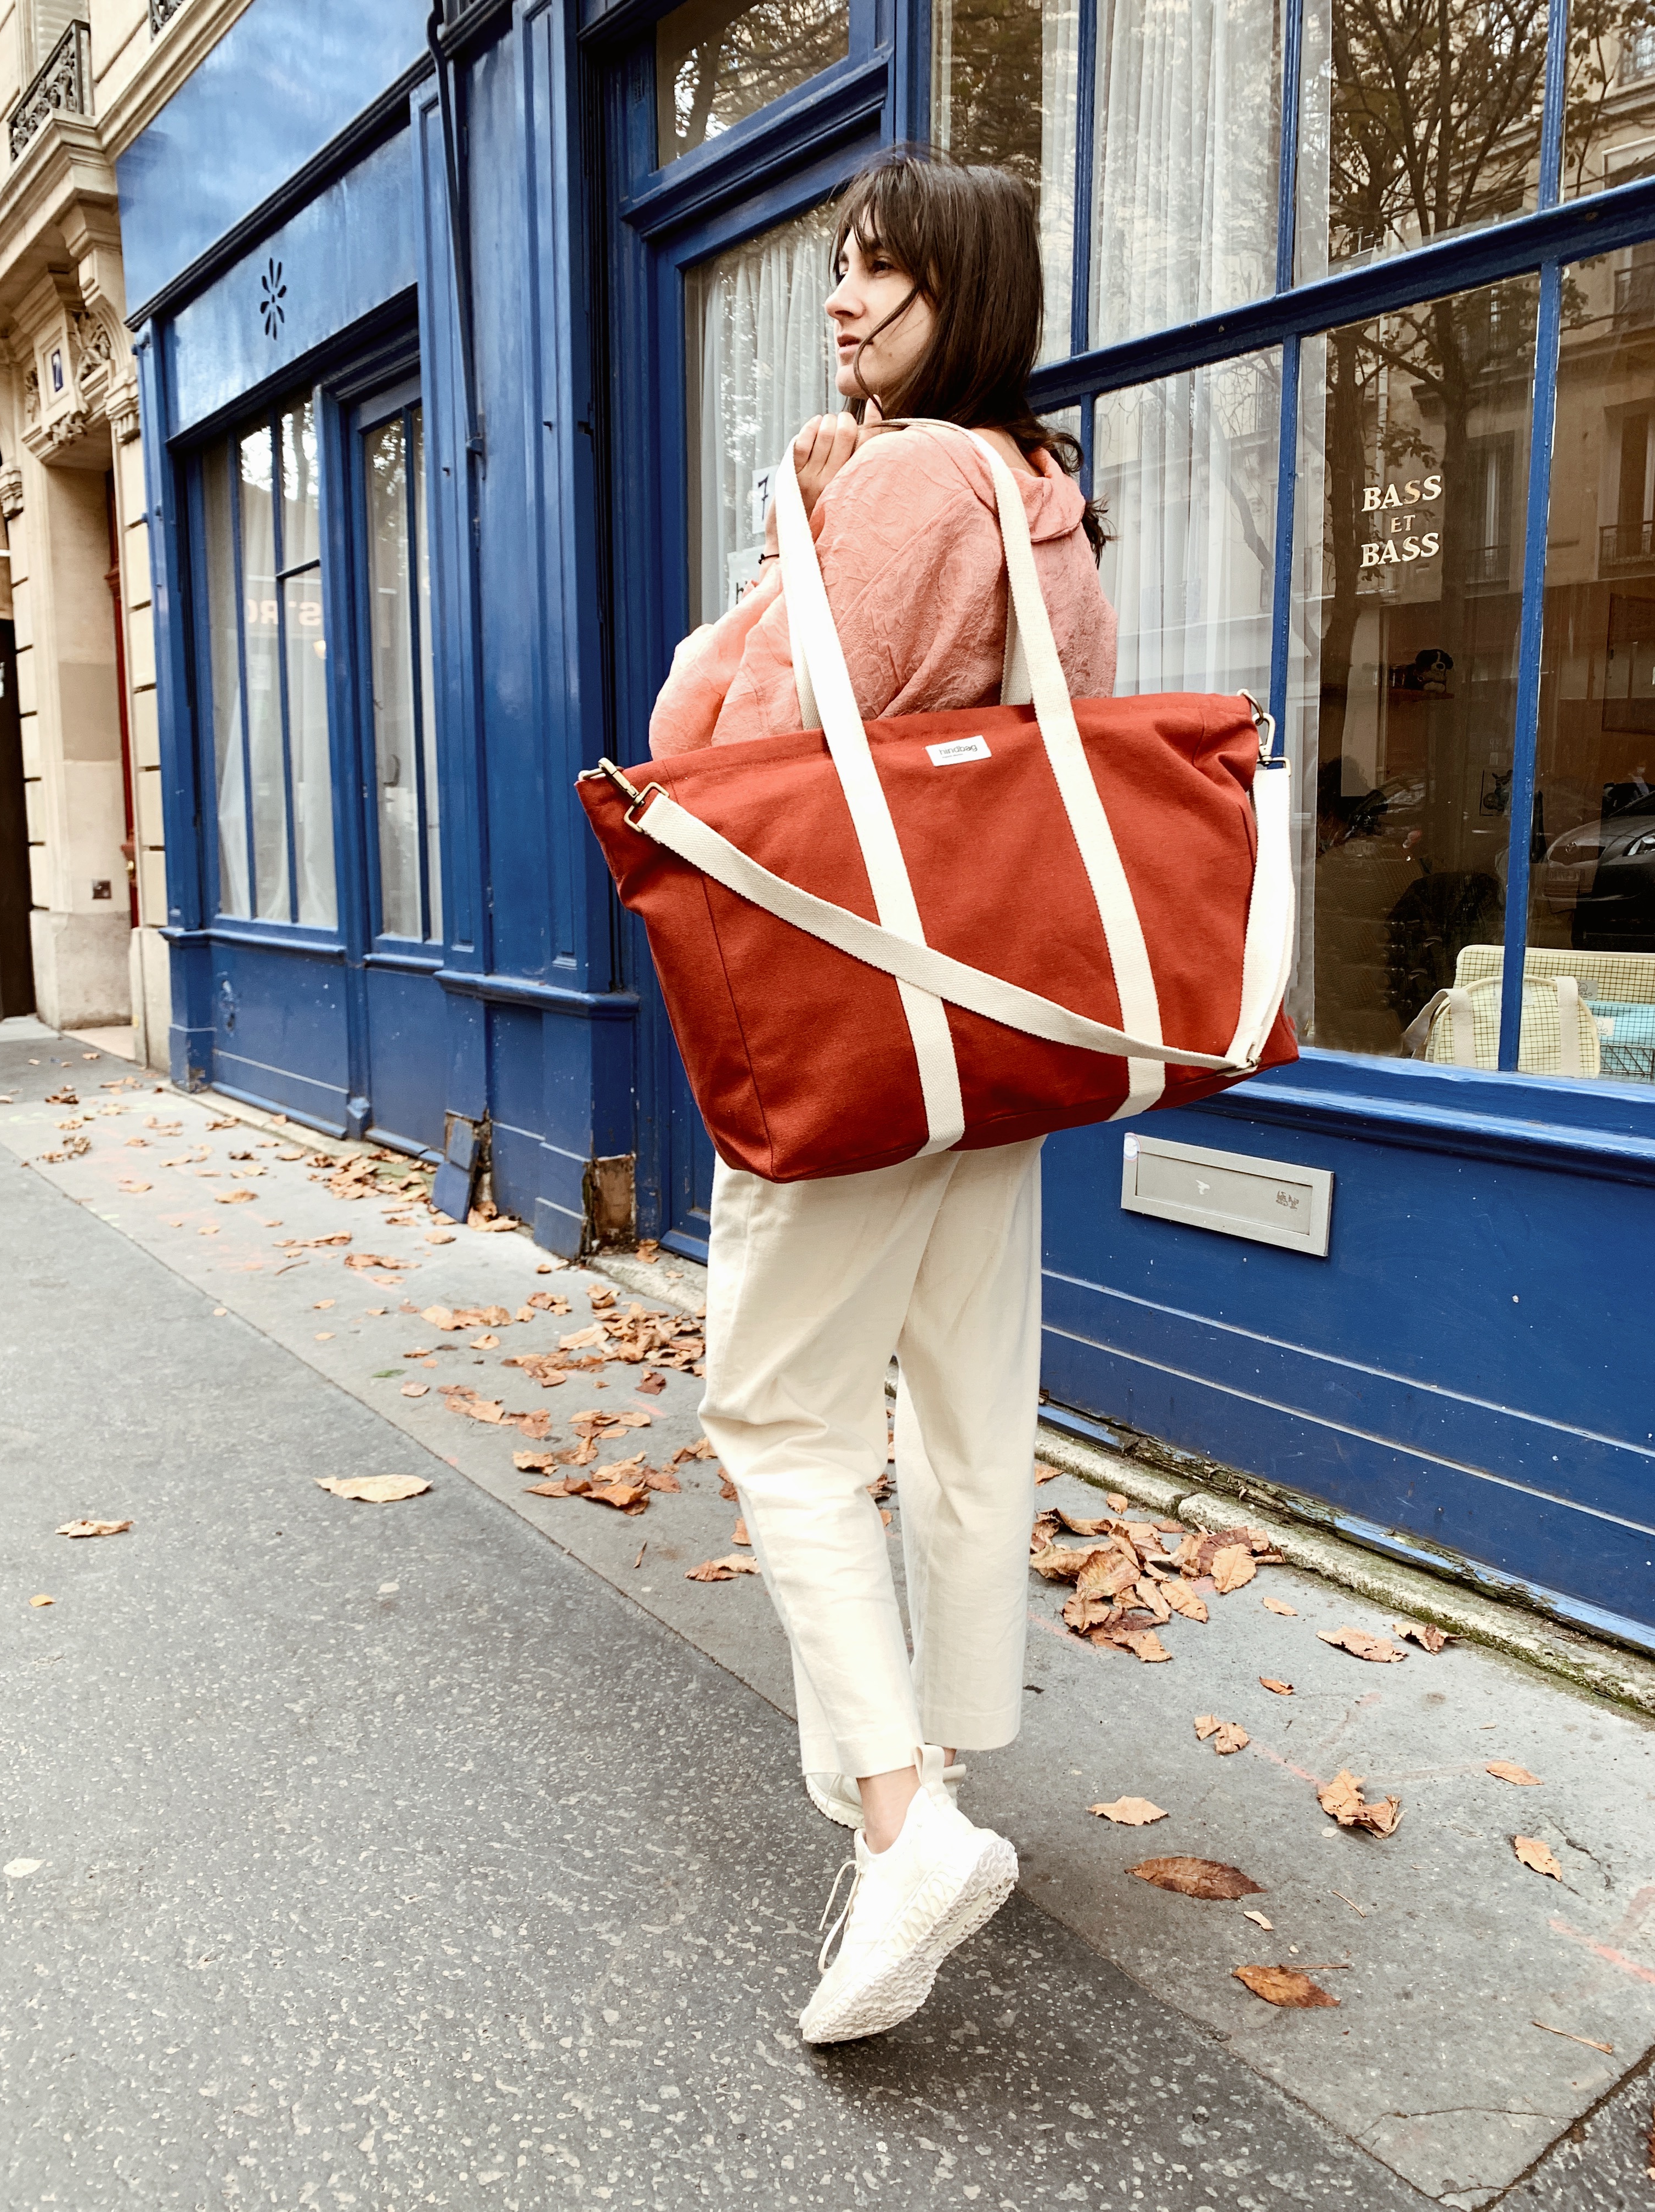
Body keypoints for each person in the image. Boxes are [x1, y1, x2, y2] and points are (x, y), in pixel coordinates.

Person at [647, 148, 1118, 2046]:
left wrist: (780, 565)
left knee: (774, 1408)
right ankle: (941, 1765)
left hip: (858, 1028)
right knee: (963, 1404)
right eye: (842, 268)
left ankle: (904, 1821)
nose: (844, 301)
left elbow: (723, 743)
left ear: (968, 298)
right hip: (993, 1031)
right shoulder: (1041, 490)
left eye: (888, 276)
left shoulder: (917, 474)